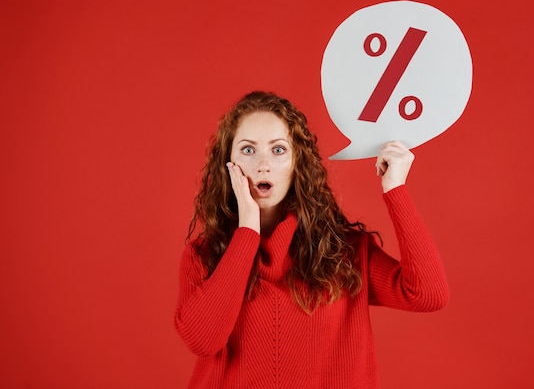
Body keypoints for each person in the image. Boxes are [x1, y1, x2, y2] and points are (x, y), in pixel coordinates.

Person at [174, 91, 449, 388]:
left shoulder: (343, 251)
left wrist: (395, 189)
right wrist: (247, 232)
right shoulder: (203, 255)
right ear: (228, 163)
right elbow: (203, 341)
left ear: (297, 164)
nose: (263, 165)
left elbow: (427, 294)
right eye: (248, 150)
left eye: (278, 150)